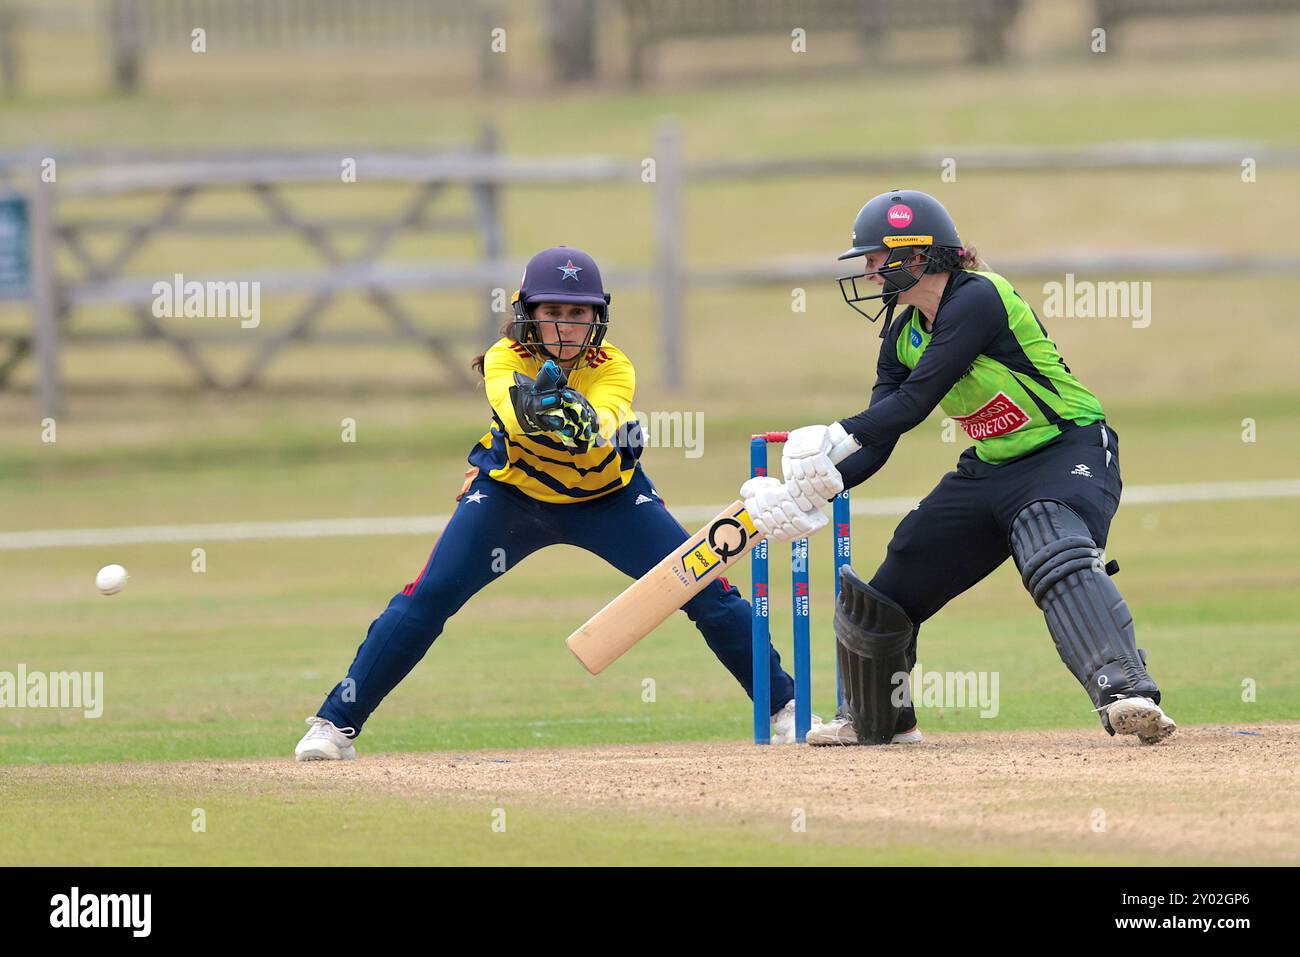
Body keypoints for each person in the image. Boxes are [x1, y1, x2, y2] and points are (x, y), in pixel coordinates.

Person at [296, 246, 817, 759]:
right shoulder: (505, 357)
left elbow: (607, 421)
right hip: (512, 498)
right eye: (552, 313)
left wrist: (583, 421)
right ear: (528, 314)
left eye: (577, 312)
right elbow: (514, 409)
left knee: (705, 587)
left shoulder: (614, 365)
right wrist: (540, 411)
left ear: (597, 316)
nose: (566, 325)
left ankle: (785, 707)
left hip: (611, 500)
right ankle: (334, 724)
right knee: (426, 598)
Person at [739, 189, 1176, 747]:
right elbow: (883, 430)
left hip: (1068, 451)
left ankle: (1124, 693)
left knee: (1050, 541)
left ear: (916, 254)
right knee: (885, 596)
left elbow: (916, 401)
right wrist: (812, 489)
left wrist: (831, 435)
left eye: (877, 258)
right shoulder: (902, 335)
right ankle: (877, 722)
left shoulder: (979, 298)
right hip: (991, 468)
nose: (870, 273)